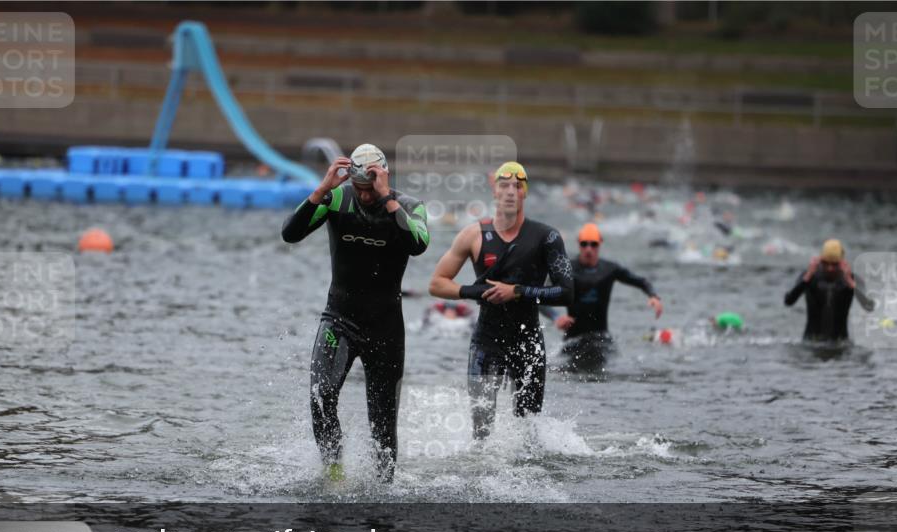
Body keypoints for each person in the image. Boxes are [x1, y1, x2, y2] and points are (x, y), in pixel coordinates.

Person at [282, 144, 429, 482]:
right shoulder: (336, 200)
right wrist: (322, 189)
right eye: (359, 188)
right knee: (321, 396)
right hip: (339, 319)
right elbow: (290, 234)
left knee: (382, 420)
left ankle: (383, 487)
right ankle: (334, 473)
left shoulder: (407, 206)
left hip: (386, 328)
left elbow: (418, 244)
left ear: (382, 178)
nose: (363, 197)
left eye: (369, 189)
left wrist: (386, 198)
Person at [428, 161, 573, 440]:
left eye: (517, 187)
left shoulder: (547, 237)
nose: (510, 192)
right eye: (504, 185)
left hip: (527, 342)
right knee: (481, 434)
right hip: (486, 342)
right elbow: (437, 283)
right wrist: (478, 291)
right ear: (494, 191)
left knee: (528, 433)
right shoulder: (473, 235)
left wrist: (517, 291)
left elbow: (567, 292)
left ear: (524, 193)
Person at [541, 223, 662, 369]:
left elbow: (641, 281)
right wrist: (556, 317)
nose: (589, 249)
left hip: (601, 338)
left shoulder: (609, 269)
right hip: (573, 340)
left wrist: (653, 296)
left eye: (593, 244)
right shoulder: (565, 270)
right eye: (584, 244)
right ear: (579, 244)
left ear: (600, 244)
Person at [784, 239, 874, 342]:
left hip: (840, 343)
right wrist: (807, 278)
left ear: (842, 262)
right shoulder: (809, 277)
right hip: (811, 343)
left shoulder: (851, 280)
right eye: (826, 263)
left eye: (835, 264)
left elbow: (869, 307)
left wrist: (851, 284)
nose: (830, 268)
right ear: (820, 260)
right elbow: (788, 301)